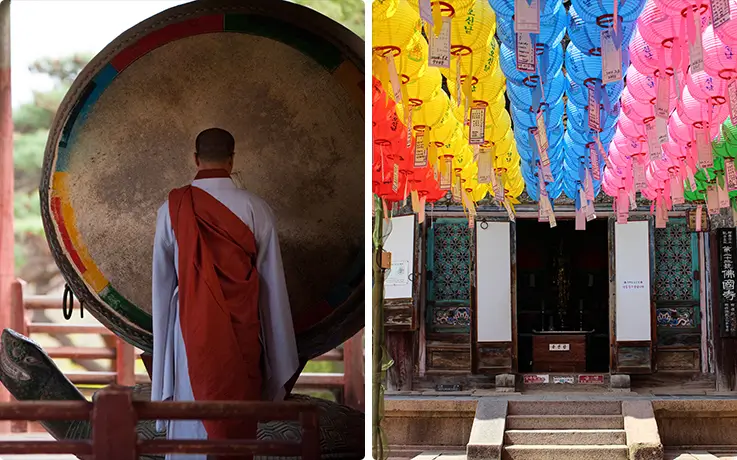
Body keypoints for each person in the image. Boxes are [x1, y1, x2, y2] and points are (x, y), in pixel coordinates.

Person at [151, 128, 299, 460]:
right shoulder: (255, 208)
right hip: (242, 329)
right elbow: (272, 286)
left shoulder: (171, 209)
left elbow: (162, 287)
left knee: (190, 417)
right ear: (232, 159)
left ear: (195, 159)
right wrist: (279, 353)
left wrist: (162, 361)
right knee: (235, 420)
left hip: (190, 331)